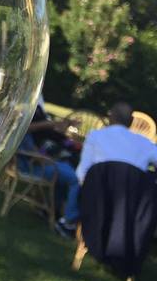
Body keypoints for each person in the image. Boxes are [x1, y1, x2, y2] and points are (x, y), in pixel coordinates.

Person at [54, 101, 157, 238]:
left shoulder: (96, 136)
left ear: (110, 117)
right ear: (131, 121)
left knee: (76, 180)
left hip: (97, 199)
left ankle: (69, 222)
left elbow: (81, 173)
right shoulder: (145, 144)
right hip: (130, 205)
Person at [18, 98, 81, 230]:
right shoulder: (23, 123)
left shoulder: (24, 117)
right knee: (75, 180)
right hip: (32, 166)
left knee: (67, 171)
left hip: (37, 162)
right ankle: (69, 223)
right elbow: (33, 154)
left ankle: (52, 210)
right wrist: (46, 159)